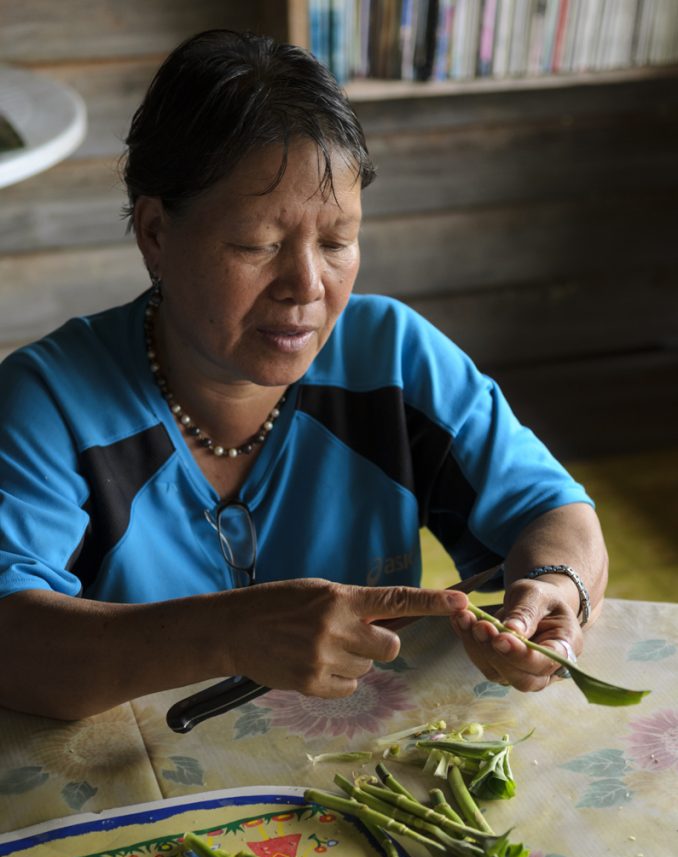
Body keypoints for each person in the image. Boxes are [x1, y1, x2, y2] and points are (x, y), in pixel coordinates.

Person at [0, 29, 607, 722]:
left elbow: (553, 511)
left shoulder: (393, 358)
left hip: (346, 778)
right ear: (156, 234)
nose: (306, 285)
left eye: (336, 242)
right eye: (258, 244)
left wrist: (556, 594)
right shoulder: (47, 404)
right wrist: (228, 634)